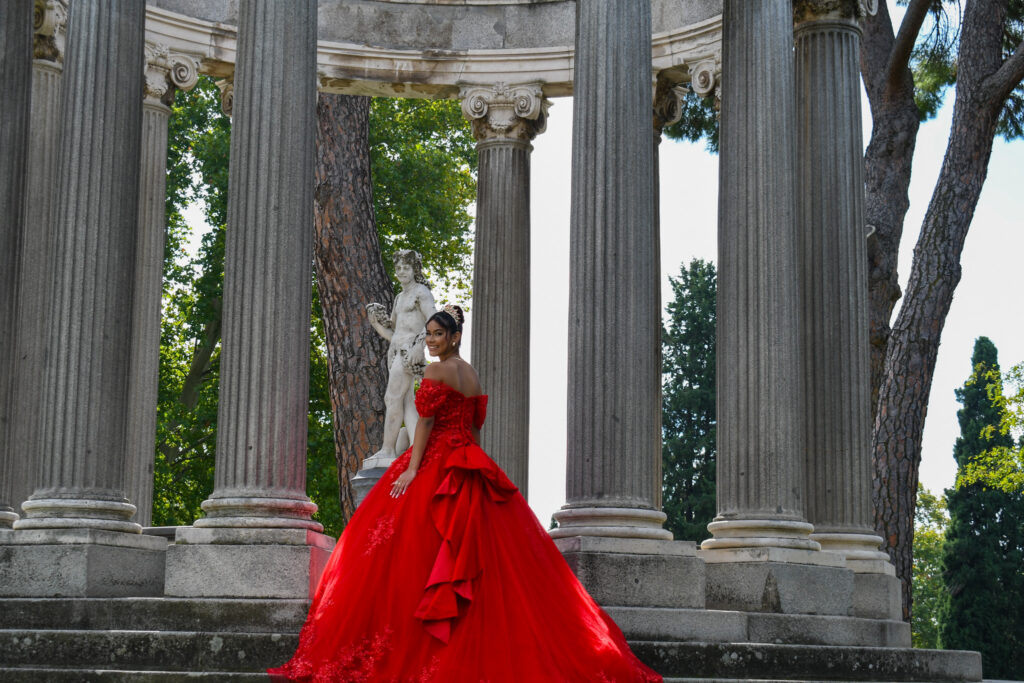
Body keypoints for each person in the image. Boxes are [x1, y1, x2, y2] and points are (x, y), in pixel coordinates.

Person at [268, 305, 662, 682]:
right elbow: (474, 430)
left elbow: (423, 424)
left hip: (438, 459)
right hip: (468, 460)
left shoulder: (438, 373)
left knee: (405, 551)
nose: (432, 341)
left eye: (439, 334)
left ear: (455, 337)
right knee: (485, 559)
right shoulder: (471, 375)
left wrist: (410, 468)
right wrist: (476, 464)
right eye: (429, 335)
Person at [365, 249, 435, 465]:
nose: (402, 272)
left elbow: (434, 320)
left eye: (406, 268)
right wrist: (376, 324)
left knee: (392, 398)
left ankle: (387, 449)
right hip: (395, 351)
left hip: (408, 351)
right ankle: (416, 446)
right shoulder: (399, 298)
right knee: (406, 402)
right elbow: (394, 333)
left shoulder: (421, 292)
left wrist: (419, 346)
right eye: (399, 268)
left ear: (415, 270)